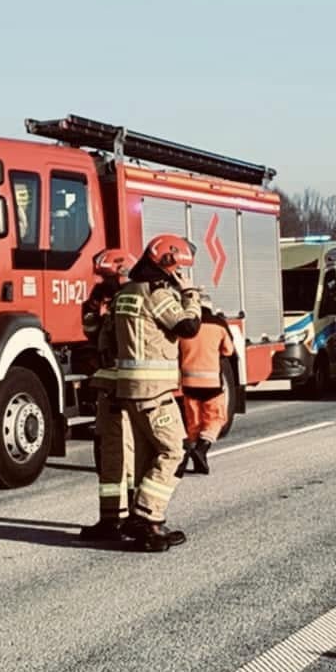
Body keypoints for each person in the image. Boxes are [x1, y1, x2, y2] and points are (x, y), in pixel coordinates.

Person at [108, 235, 204, 551]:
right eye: (177, 269)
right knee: (176, 452)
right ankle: (145, 516)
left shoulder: (126, 292)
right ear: (167, 265)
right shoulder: (156, 293)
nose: (178, 274)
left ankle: (149, 525)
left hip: (130, 388)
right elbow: (188, 327)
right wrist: (190, 294)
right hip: (154, 390)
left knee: (146, 456)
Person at [77, 247, 137, 541]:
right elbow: (90, 331)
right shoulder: (99, 298)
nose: (104, 283)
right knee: (109, 452)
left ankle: (135, 515)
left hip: (130, 388)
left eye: (108, 277)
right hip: (109, 388)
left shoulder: (135, 298)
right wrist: (96, 311)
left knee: (128, 451)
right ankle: (114, 517)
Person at [176, 295, 235, 477]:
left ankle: (192, 460)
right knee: (215, 419)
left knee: (193, 423)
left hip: (188, 384)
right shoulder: (219, 324)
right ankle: (202, 449)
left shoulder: (185, 326)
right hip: (212, 384)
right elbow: (228, 350)